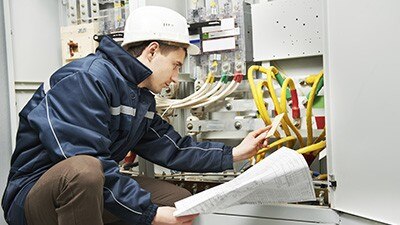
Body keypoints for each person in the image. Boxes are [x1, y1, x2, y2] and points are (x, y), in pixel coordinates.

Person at [2, 6, 271, 225]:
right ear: (152, 51)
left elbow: (174, 149)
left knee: (176, 200)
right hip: (34, 199)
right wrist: (149, 214)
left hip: (88, 190)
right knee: (84, 170)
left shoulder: (139, 96)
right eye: (176, 65)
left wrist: (235, 154)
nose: (176, 78)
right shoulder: (85, 79)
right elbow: (83, 159)